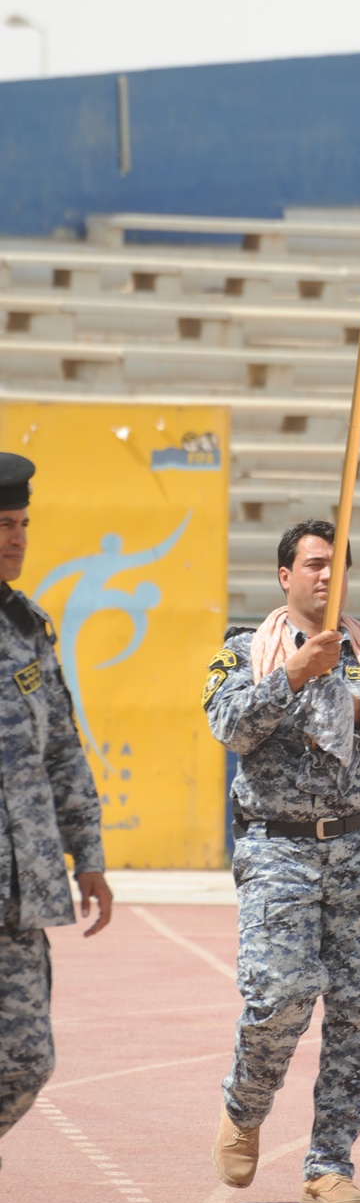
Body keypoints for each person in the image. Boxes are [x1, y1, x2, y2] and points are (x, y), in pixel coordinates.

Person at [204, 518, 360, 1203]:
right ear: (284, 575)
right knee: (279, 994)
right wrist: (293, 677)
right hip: (279, 849)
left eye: (337, 565)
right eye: (312, 564)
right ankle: (244, 1106)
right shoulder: (244, 651)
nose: (325, 576)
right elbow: (229, 725)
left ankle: (329, 1164)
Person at [0, 452, 112, 1166]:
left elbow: (63, 751)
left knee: (27, 1057)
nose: (16, 537)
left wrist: (89, 856)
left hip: (19, 895)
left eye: (22, 524)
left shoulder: (28, 628)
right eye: (3, 524)